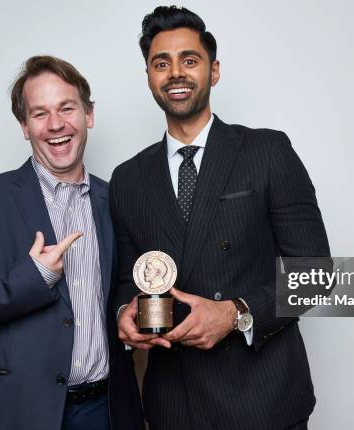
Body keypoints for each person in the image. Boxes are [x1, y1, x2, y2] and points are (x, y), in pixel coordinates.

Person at [109, 6, 330, 430]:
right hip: (175, 404)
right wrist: (124, 311)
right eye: (161, 63)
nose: (175, 73)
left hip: (263, 400)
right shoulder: (128, 179)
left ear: (214, 71)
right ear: (149, 77)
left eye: (189, 60)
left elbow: (316, 272)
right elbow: (126, 278)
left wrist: (236, 313)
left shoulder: (267, 152)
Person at [0, 56, 143, 430]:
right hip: (12, 412)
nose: (56, 124)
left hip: (103, 410)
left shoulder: (117, 202)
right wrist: (33, 277)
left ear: (88, 115)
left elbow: (123, 289)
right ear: (24, 127)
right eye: (39, 113)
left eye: (66, 108)